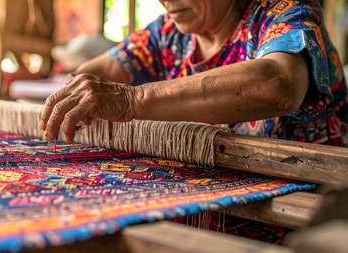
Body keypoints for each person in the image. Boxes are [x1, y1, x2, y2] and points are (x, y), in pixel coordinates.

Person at [39, 0, 347, 147]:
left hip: (307, 207)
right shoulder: (167, 35)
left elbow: (279, 83)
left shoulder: (284, 12)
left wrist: (133, 100)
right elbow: (100, 71)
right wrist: (79, 92)